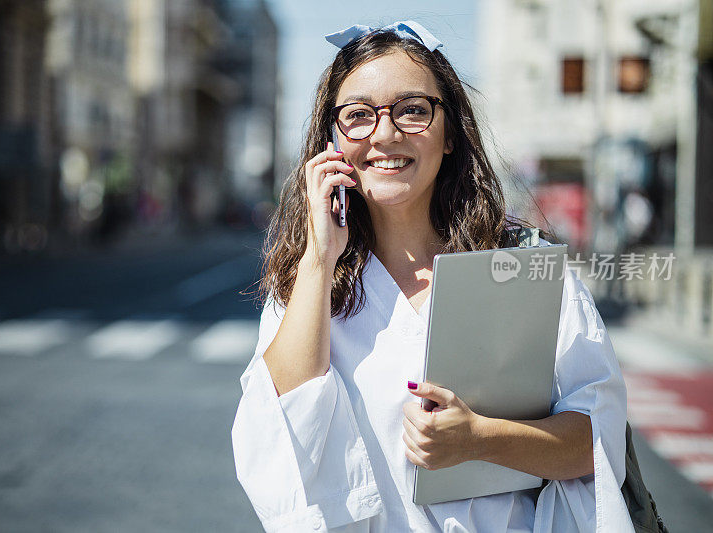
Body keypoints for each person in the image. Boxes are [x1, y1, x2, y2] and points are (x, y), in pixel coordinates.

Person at [231, 21, 632, 533]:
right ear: (333, 142)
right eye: (357, 115)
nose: (385, 133)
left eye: (413, 110)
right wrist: (318, 257)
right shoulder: (313, 284)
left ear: (450, 135)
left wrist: (481, 437)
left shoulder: (521, 265)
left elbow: (595, 442)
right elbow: (278, 435)